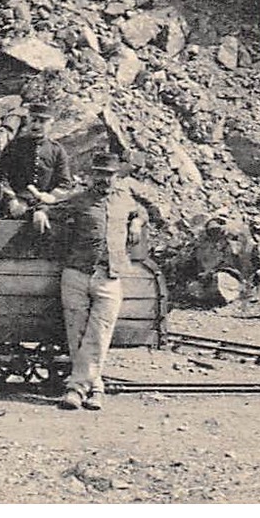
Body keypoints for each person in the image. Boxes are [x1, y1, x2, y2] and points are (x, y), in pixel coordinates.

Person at [40, 150, 160, 410]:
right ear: (92, 174)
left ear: (117, 176)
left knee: (100, 333)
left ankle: (75, 388)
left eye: (108, 175)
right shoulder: (79, 200)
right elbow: (50, 209)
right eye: (99, 174)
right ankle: (95, 388)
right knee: (77, 333)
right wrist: (40, 212)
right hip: (77, 274)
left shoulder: (124, 200)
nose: (103, 179)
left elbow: (143, 212)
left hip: (110, 276)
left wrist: (137, 223)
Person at [0, 101, 72, 220]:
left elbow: (64, 183)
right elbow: (1, 177)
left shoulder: (57, 150)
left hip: (46, 205)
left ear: (51, 124)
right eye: (33, 120)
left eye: (42, 122)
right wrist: (12, 200)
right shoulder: (14, 146)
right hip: (17, 204)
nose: (36, 126)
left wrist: (51, 197)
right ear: (27, 122)